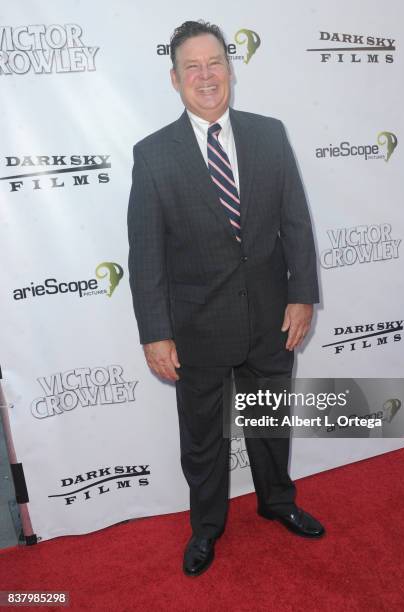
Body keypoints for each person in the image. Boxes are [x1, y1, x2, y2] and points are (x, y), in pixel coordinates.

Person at [127, 20, 324, 577]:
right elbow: (145, 256)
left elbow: (296, 224)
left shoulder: (269, 134)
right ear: (174, 78)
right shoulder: (154, 155)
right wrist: (155, 332)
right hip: (196, 328)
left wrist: (302, 294)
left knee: (270, 421)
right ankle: (206, 528)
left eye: (215, 63)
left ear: (230, 70)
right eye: (193, 67)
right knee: (203, 440)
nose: (206, 76)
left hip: (270, 317)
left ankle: (277, 502)